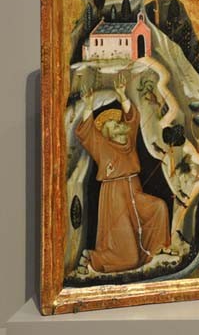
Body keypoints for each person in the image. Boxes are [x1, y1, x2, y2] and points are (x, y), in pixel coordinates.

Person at [75, 74, 171, 274]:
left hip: (134, 191)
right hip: (115, 198)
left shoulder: (128, 140)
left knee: (159, 208)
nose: (118, 124)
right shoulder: (101, 146)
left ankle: (157, 250)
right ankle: (94, 259)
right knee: (128, 256)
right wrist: (88, 105)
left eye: (117, 122)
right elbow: (86, 133)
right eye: (113, 124)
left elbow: (132, 119)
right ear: (106, 133)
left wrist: (122, 95)